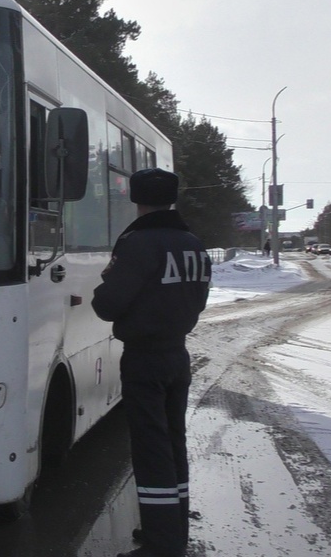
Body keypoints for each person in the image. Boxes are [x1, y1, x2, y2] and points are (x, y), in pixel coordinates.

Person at [91, 168, 211, 557]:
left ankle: (162, 544)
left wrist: (103, 284)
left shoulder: (138, 244)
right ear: (172, 198)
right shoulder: (194, 244)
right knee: (174, 440)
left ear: (136, 199)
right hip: (178, 354)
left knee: (150, 447)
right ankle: (173, 530)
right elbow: (198, 301)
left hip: (144, 359)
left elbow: (107, 306)